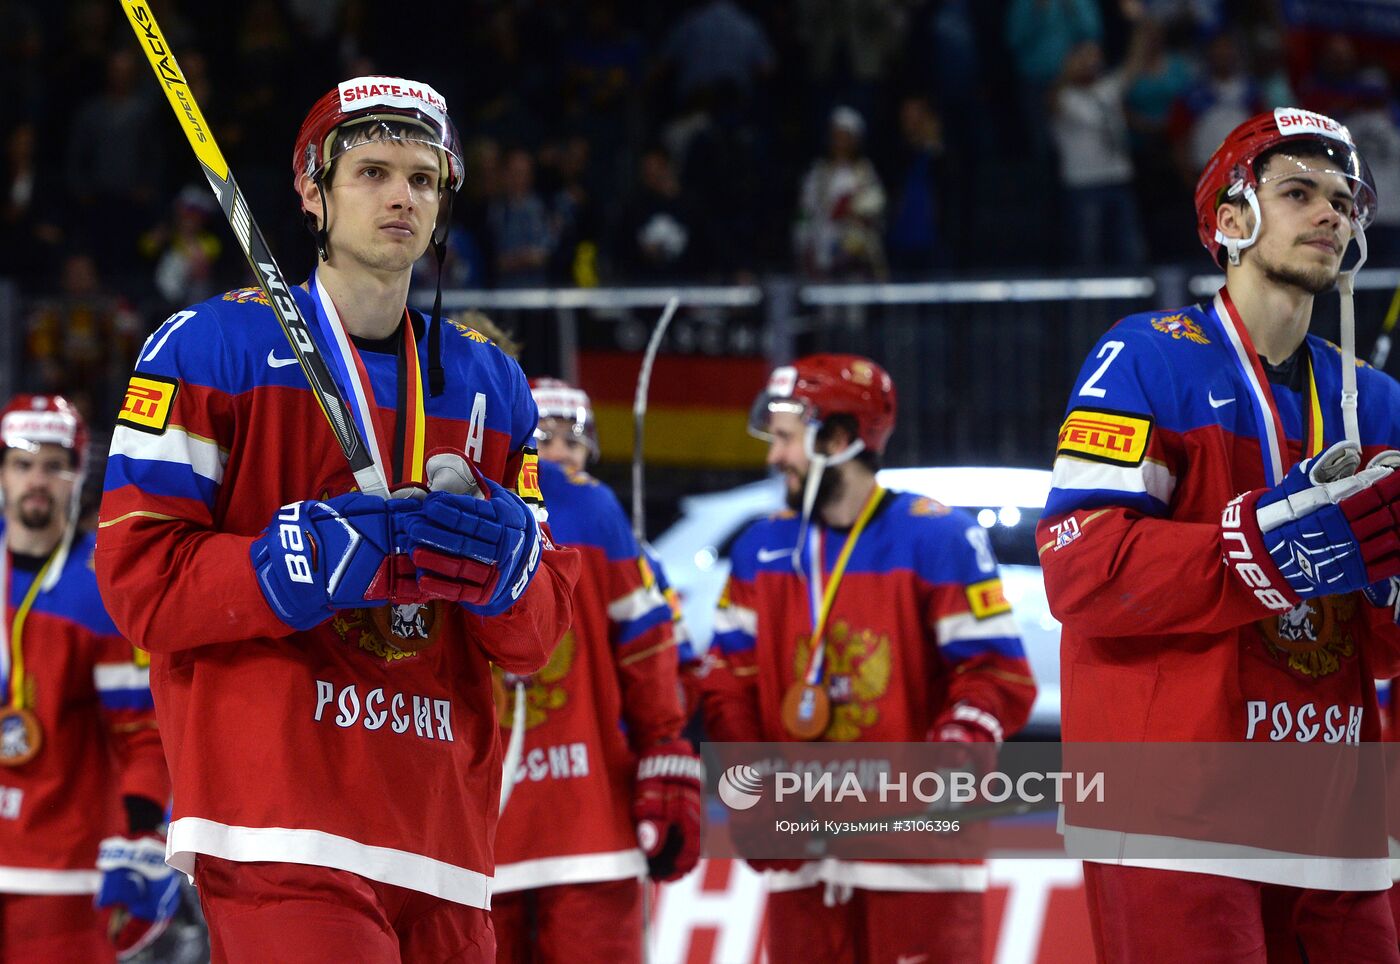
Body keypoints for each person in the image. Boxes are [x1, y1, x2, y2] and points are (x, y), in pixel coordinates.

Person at [95, 76, 579, 962]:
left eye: (425, 179)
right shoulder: (207, 348)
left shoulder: (493, 385)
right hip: (281, 824)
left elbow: (538, 636)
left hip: (444, 838)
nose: (403, 196)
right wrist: (293, 565)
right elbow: (137, 581)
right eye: (373, 172)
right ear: (313, 194)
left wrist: (511, 574)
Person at [1037, 108, 1400, 960]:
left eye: (1344, 201)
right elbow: (1082, 572)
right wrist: (1272, 548)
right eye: (1299, 192)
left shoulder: (1379, 403)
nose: (1331, 214)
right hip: (1169, 803)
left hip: (1332, 803)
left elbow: (1374, 647)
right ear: (1231, 221)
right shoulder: (1143, 358)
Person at [700, 354, 1036, 963]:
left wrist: (950, 763)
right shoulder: (761, 549)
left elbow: (996, 676)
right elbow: (726, 685)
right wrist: (748, 791)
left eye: (785, 438)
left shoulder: (935, 537)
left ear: (839, 438)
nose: (773, 457)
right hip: (799, 860)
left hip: (917, 863)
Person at [490, 377, 702, 963]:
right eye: (545, 438)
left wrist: (660, 748)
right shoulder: (596, 512)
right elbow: (663, 655)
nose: (560, 454)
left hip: (574, 824)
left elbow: (666, 661)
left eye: (574, 440)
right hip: (543, 828)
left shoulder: (607, 524)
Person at [0, 394, 172, 961]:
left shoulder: (102, 589)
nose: (37, 480)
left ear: (79, 476)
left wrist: (145, 834)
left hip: (65, 878)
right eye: (23, 464)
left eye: (55, 464)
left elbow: (143, 735)